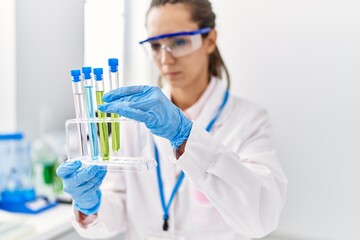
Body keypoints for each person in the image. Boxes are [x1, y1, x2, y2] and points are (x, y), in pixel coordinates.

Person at [56, 0, 288, 239]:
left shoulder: (248, 120)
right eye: (156, 46)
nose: (165, 60)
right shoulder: (133, 122)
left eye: (179, 42)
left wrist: (186, 135)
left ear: (209, 40)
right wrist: (91, 206)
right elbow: (115, 210)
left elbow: (262, 217)